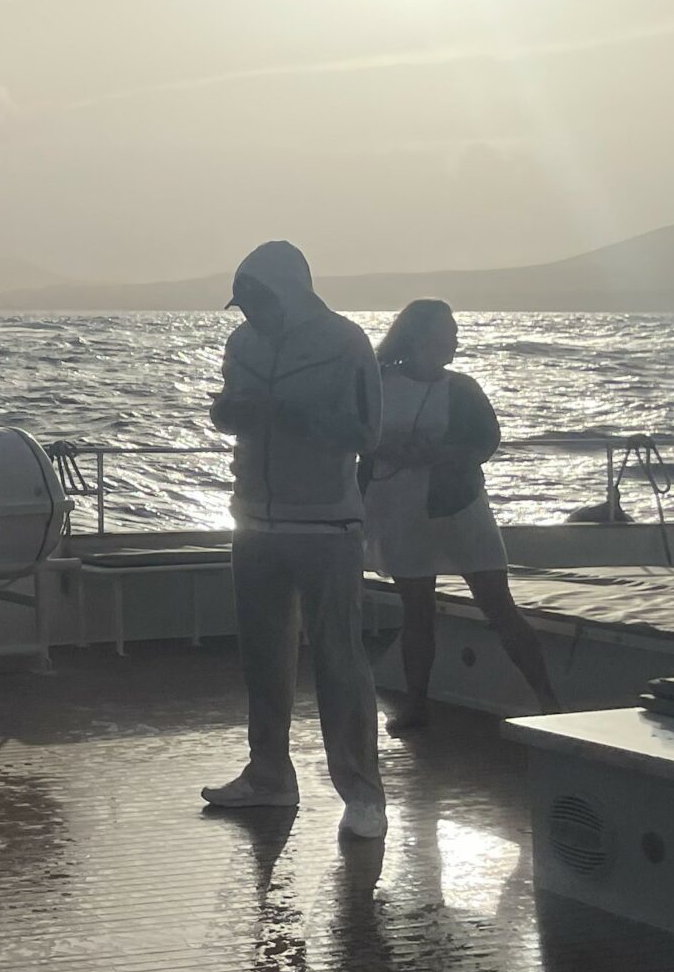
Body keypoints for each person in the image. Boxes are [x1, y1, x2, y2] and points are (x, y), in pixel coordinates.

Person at [200, 241, 388, 838]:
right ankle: (269, 775)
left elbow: (368, 432)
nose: (247, 311)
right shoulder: (242, 344)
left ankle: (363, 795)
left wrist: (298, 418)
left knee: (339, 659)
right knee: (262, 657)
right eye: (242, 301)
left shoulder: (346, 343)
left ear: (289, 291)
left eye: (256, 298)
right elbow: (225, 412)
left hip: (327, 524)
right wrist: (232, 411)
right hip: (253, 520)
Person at [365, 298, 560, 732]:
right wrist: (387, 449)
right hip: (400, 505)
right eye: (447, 330)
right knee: (416, 609)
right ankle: (417, 704)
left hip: (459, 507)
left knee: (498, 604)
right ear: (420, 336)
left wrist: (440, 454)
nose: (455, 338)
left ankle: (549, 701)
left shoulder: (462, 388)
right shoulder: (379, 383)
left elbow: (486, 442)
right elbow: (358, 434)